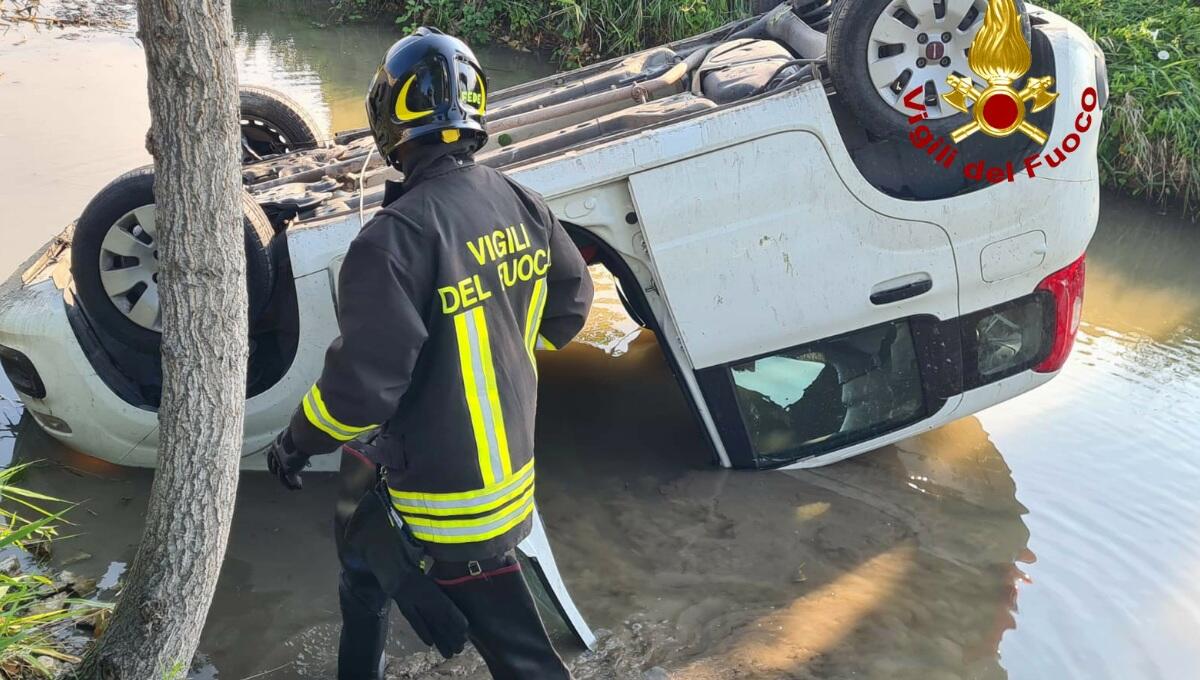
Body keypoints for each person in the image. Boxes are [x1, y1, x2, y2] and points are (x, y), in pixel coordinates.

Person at [265, 27, 594, 680]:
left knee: (526, 664)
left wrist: (295, 443)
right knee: (360, 567)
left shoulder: (390, 240)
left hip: (448, 508)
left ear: (390, 122)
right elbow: (571, 307)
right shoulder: (520, 200)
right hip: (511, 485)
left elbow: (361, 392)